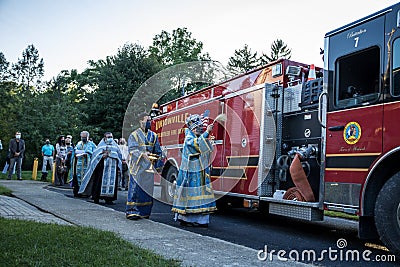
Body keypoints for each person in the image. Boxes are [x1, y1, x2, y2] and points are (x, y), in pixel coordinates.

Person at [172, 114, 217, 227]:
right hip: (191, 173)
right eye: (198, 127)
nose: (200, 129)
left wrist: (208, 142)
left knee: (201, 195)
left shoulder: (197, 137)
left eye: (201, 127)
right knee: (191, 195)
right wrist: (207, 132)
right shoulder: (189, 138)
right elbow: (196, 146)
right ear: (192, 128)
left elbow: (206, 149)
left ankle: (202, 220)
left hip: (201, 172)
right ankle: (187, 218)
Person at [126, 113, 162, 220]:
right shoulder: (134, 135)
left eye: (150, 120)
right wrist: (143, 155)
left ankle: (145, 212)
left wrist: (157, 160)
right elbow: (132, 150)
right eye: (147, 120)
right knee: (135, 189)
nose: (149, 122)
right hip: (137, 167)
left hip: (149, 167)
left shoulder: (154, 135)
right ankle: (132, 211)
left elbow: (158, 151)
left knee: (147, 190)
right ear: (141, 121)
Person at [79, 132, 122, 204]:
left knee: (112, 183)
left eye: (111, 137)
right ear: (104, 138)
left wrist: (110, 154)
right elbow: (95, 156)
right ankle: (97, 197)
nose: (110, 139)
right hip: (102, 167)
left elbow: (119, 156)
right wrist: (101, 156)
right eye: (108, 137)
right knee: (99, 182)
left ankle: (109, 199)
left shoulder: (115, 146)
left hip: (112, 168)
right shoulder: (100, 146)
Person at [70, 131, 95, 197]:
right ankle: (78, 191)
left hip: (87, 164)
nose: (83, 138)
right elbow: (75, 151)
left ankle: (86, 193)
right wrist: (75, 154)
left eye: (85, 137)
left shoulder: (91, 144)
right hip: (78, 164)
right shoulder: (79, 143)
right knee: (78, 177)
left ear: (88, 137)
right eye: (82, 137)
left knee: (86, 178)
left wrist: (87, 154)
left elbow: (95, 153)